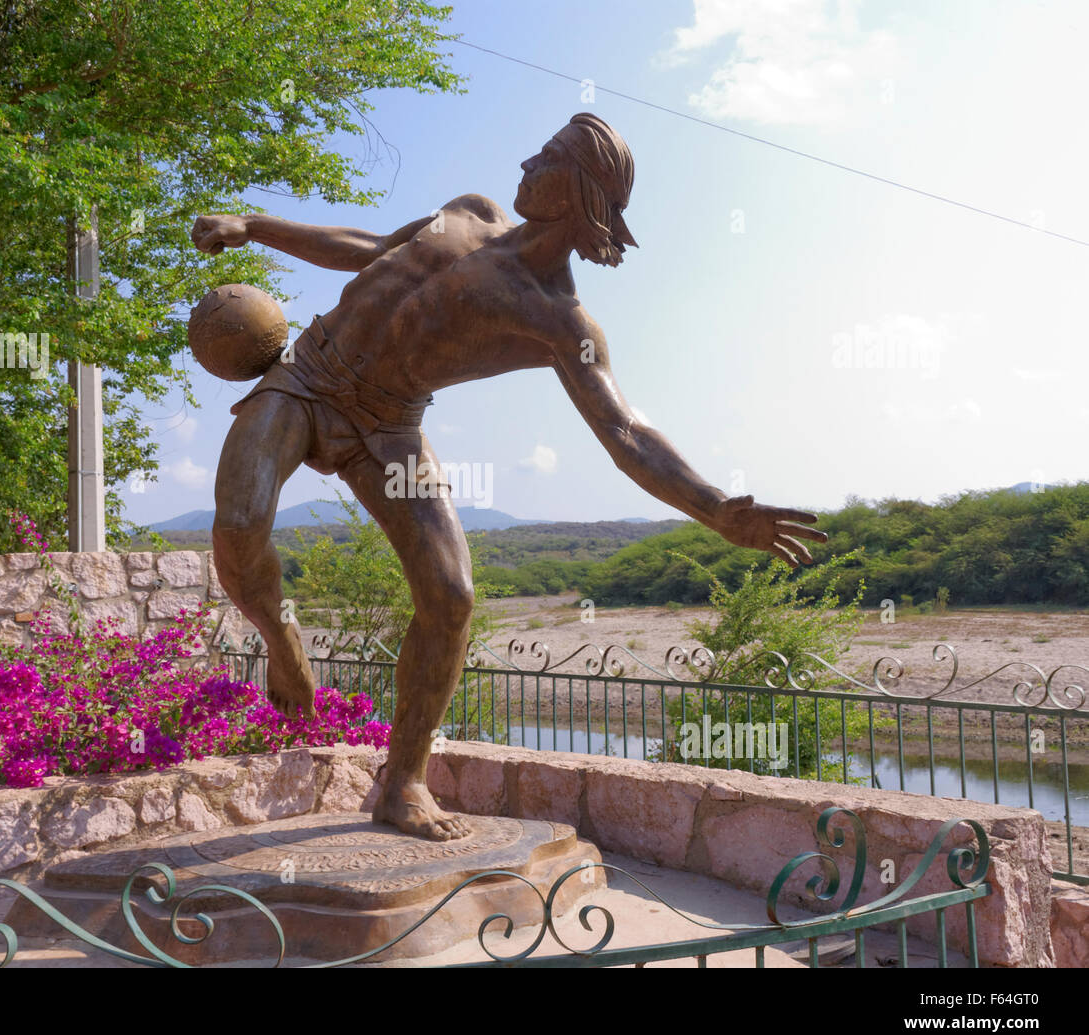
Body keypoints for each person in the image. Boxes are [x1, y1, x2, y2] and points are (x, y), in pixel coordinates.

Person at [191, 113, 826, 840]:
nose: (526, 159)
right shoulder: (472, 210)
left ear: (580, 190)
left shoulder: (561, 322)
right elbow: (367, 249)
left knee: (452, 596)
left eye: (548, 155)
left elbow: (624, 432)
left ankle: (403, 784)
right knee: (240, 522)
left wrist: (715, 507)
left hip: (386, 429)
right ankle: (280, 638)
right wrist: (254, 224)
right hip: (307, 376)